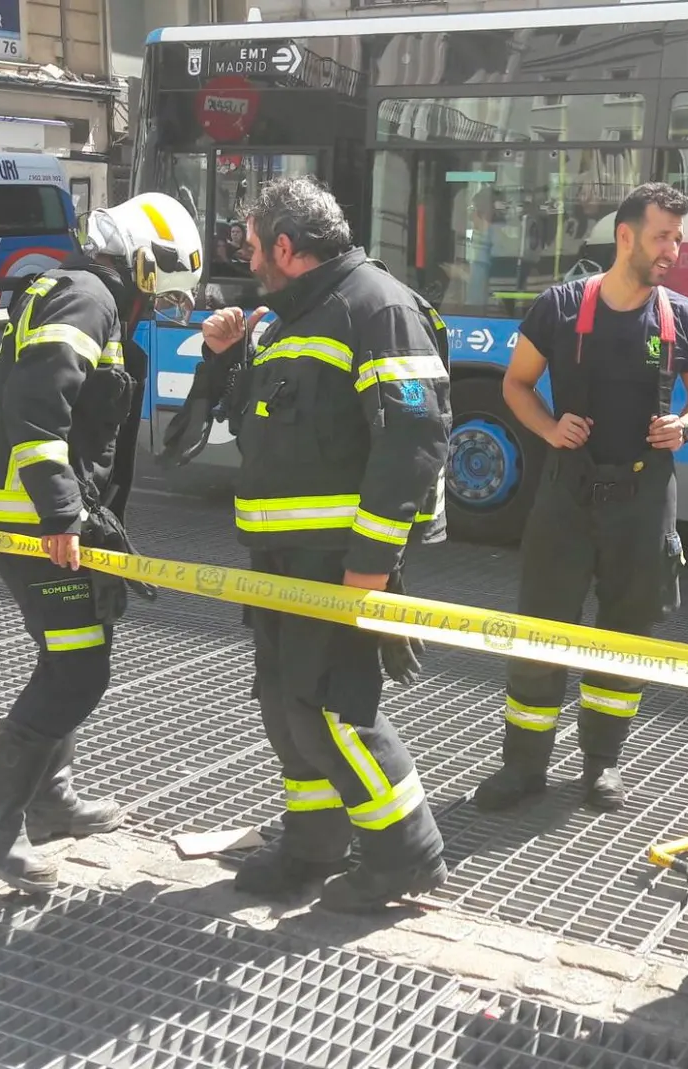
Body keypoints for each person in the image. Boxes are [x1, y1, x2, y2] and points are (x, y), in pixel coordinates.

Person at [192, 175, 452, 911]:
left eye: (251, 248)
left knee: (336, 711)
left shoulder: (377, 306)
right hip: (279, 561)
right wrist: (223, 359)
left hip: (339, 564)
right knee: (285, 705)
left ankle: (408, 854)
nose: (247, 262)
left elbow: (414, 438)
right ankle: (313, 845)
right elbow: (253, 427)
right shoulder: (286, 320)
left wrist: (370, 564)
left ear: (284, 246)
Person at [0, 192, 202, 893]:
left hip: (46, 521)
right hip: (36, 525)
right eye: (170, 281)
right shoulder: (89, 297)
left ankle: (51, 798)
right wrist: (59, 516)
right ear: (145, 260)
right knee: (76, 672)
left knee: (73, 656)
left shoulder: (86, 295)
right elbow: (38, 405)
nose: (170, 300)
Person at [473, 182, 688, 813]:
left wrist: (687, 426)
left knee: (625, 633)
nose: (672, 249)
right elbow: (517, 386)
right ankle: (523, 767)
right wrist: (550, 428)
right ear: (626, 236)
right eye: (662, 236)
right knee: (541, 629)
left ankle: (602, 765)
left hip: (644, 497)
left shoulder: (682, 318)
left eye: (678, 238)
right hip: (568, 492)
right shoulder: (559, 308)